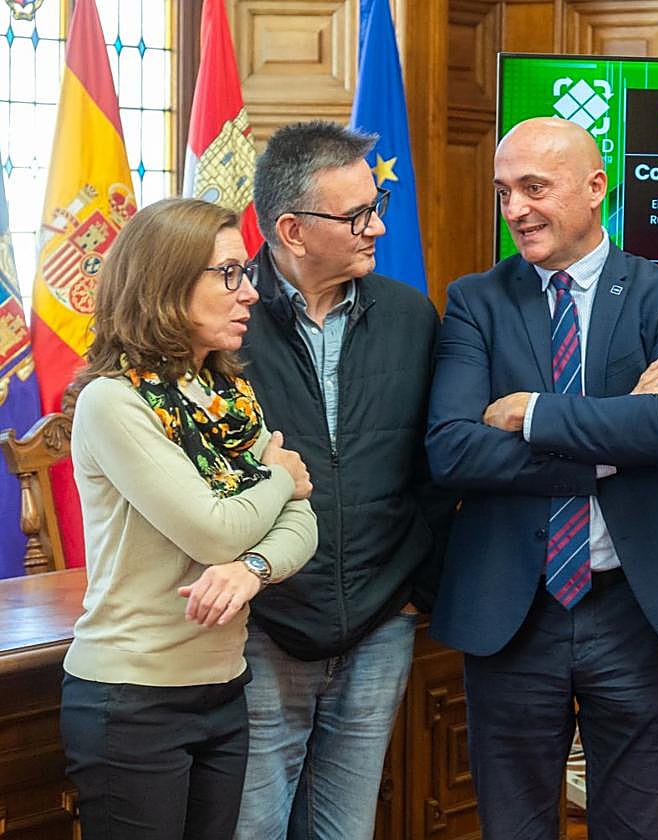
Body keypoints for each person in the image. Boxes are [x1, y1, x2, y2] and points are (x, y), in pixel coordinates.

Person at [425, 116, 658, 839]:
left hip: (637, 609)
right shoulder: (476, 302)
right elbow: (452, 450)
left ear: (596, 187)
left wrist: (534, 414)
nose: (515, 209)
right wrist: (613, 437)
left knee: (634, 827)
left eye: (534, 188)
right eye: (503, 191)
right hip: (513, 608)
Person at [60, 198, 318, 840]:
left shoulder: (226, 394)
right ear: (169, 284)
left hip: (223, 685)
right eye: (229, 274)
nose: (251, 293)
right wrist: (281, 476)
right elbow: (213, 529)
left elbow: (305, 523)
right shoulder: (113, 401)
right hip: (133, 696)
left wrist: (254, 569)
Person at [234, 121, 453, 840]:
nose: (380, 226)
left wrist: (410, 594)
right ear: (293, 230)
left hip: (379, 624)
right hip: (260, 627)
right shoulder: (226, 325)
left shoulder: (410, 316)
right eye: (358, 215)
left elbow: (429, 469)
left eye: (376, 204)